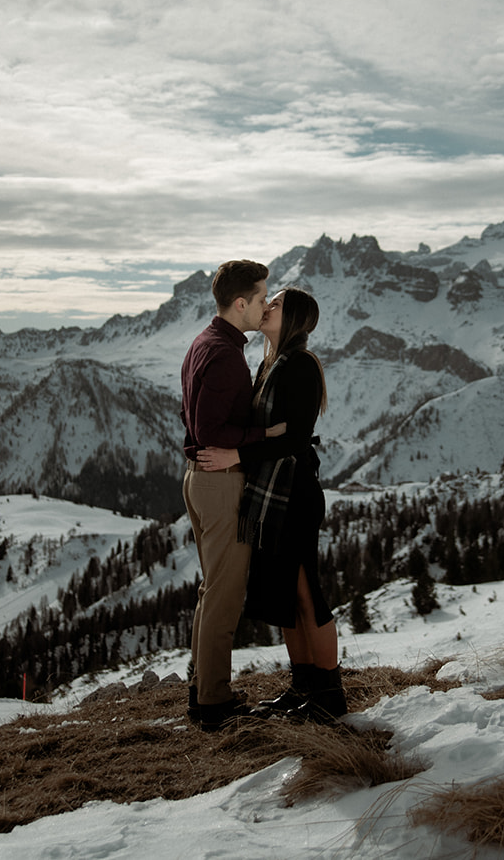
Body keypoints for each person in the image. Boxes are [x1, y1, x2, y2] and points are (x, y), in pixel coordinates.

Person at [199, 287, 344, 721]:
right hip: (272, 494)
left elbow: (296, 439)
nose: (267, 307)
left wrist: (236, 456)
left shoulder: (299, 365)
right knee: (283, 594)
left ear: (294, 317)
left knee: (305, 593)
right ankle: (303, 688)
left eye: (275, 303)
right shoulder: (269, 363)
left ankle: (329, 694)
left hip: (294, 493)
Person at [179, 259, 283, 730]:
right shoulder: (224, 354)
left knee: (211, 589)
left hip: (201, 481)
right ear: (240, 303)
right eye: (261, 298)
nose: (265, 306)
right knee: (225, 593)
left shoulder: (206, 340)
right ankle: (215, 702)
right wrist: (265, 435)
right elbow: (208, 428)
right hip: (219, 484)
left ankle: (203, 689)